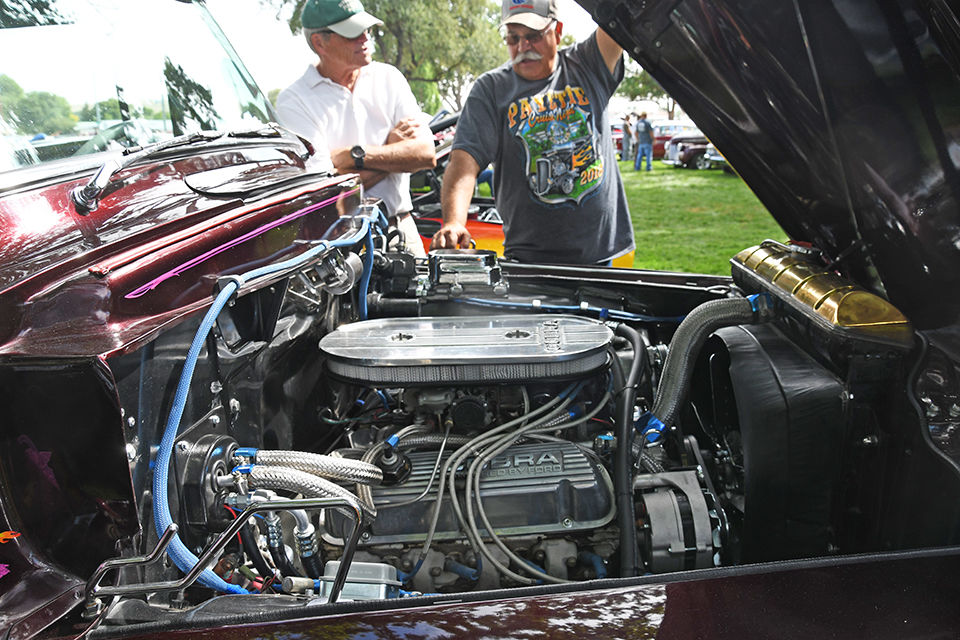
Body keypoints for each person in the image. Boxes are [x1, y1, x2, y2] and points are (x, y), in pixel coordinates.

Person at [430, 0, 635, 265]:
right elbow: (464, 160)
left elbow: (617, 17)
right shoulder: (491, 88)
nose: (523, 47)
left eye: (533, 37)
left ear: (557, 31)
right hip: (529, 259)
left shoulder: (588, 64)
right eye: (513, 38)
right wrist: (454, 222)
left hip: (601, 255)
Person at [276, 0, 435, 255]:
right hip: (334, 247)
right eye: (352, 33)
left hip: (400, 231)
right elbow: (324, 195)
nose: (365, 38)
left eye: (367, 30)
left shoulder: (389, 78)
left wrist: (351, 157)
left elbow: (425, 154)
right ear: (320, 43)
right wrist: (393, 153)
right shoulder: (294, 101)